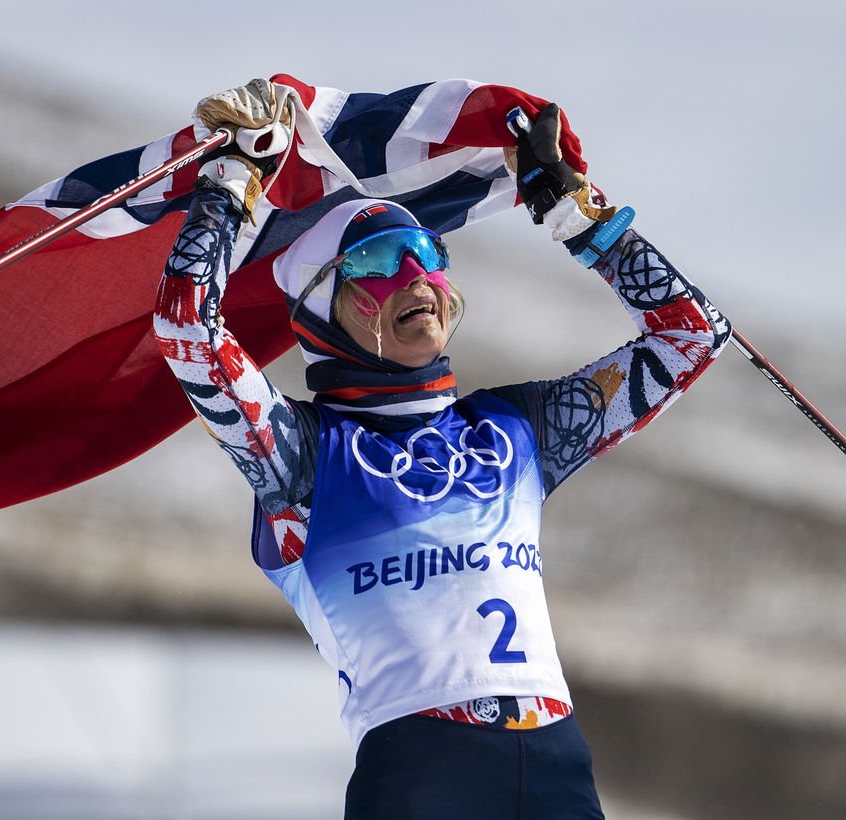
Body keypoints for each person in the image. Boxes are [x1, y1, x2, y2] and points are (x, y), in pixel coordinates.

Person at [152, 80, 729, 818]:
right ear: (325, 308)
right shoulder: (301, 455)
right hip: (423, 770)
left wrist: (575, 215)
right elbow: (188, 330)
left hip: (554, 763)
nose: (416, 274)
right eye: (380, 261)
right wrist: (231, 179)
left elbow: (690, 335)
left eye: (426, 253)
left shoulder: (514, 429)